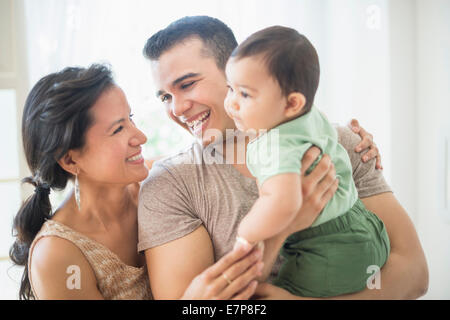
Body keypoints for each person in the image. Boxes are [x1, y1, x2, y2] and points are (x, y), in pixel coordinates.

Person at [139, 15, 427, 299]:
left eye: (187, 84)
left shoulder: (339, 142)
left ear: (233, 71)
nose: (176, 109)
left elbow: (414, 274)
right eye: (165, 97)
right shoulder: (171, 185)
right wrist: (284, 228)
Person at [10, 64, 263, 300]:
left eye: (130, 118)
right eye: (118, 129)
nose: (140, 137)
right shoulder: (57, 255)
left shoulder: (166, 181)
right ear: (70, 160)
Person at [224, 25, 390, 297]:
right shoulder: (307, 116)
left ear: (291, 104)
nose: (231, 103)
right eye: (229, 89)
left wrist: (247, 232)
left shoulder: (275, 144)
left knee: (270, 293)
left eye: (244, 94)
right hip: (365, 225)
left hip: (327, 248)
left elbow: (284, 201)